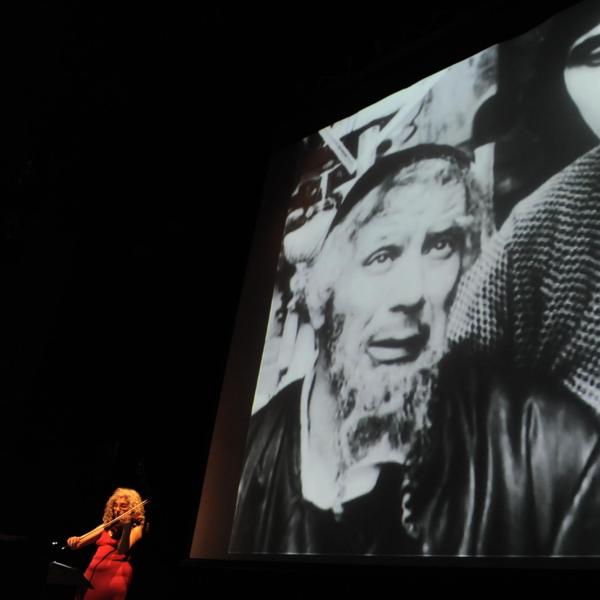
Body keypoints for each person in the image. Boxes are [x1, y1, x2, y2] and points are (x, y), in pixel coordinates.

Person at [229, 143, 600, 556]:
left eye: (440, 246)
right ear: (317, 296)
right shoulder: (242, 462)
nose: (414, 293)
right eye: (381, 255)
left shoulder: (557, 460)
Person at [66, 488, 145, 599]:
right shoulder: (106, 526)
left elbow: (122, 550)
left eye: (123, 506)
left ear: (132, 508)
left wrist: (127, 527)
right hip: (90, 577)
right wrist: (73, 540)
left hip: (114, 580)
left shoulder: (136, 528)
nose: (117, 509)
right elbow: (77, 544)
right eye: (115, 505)